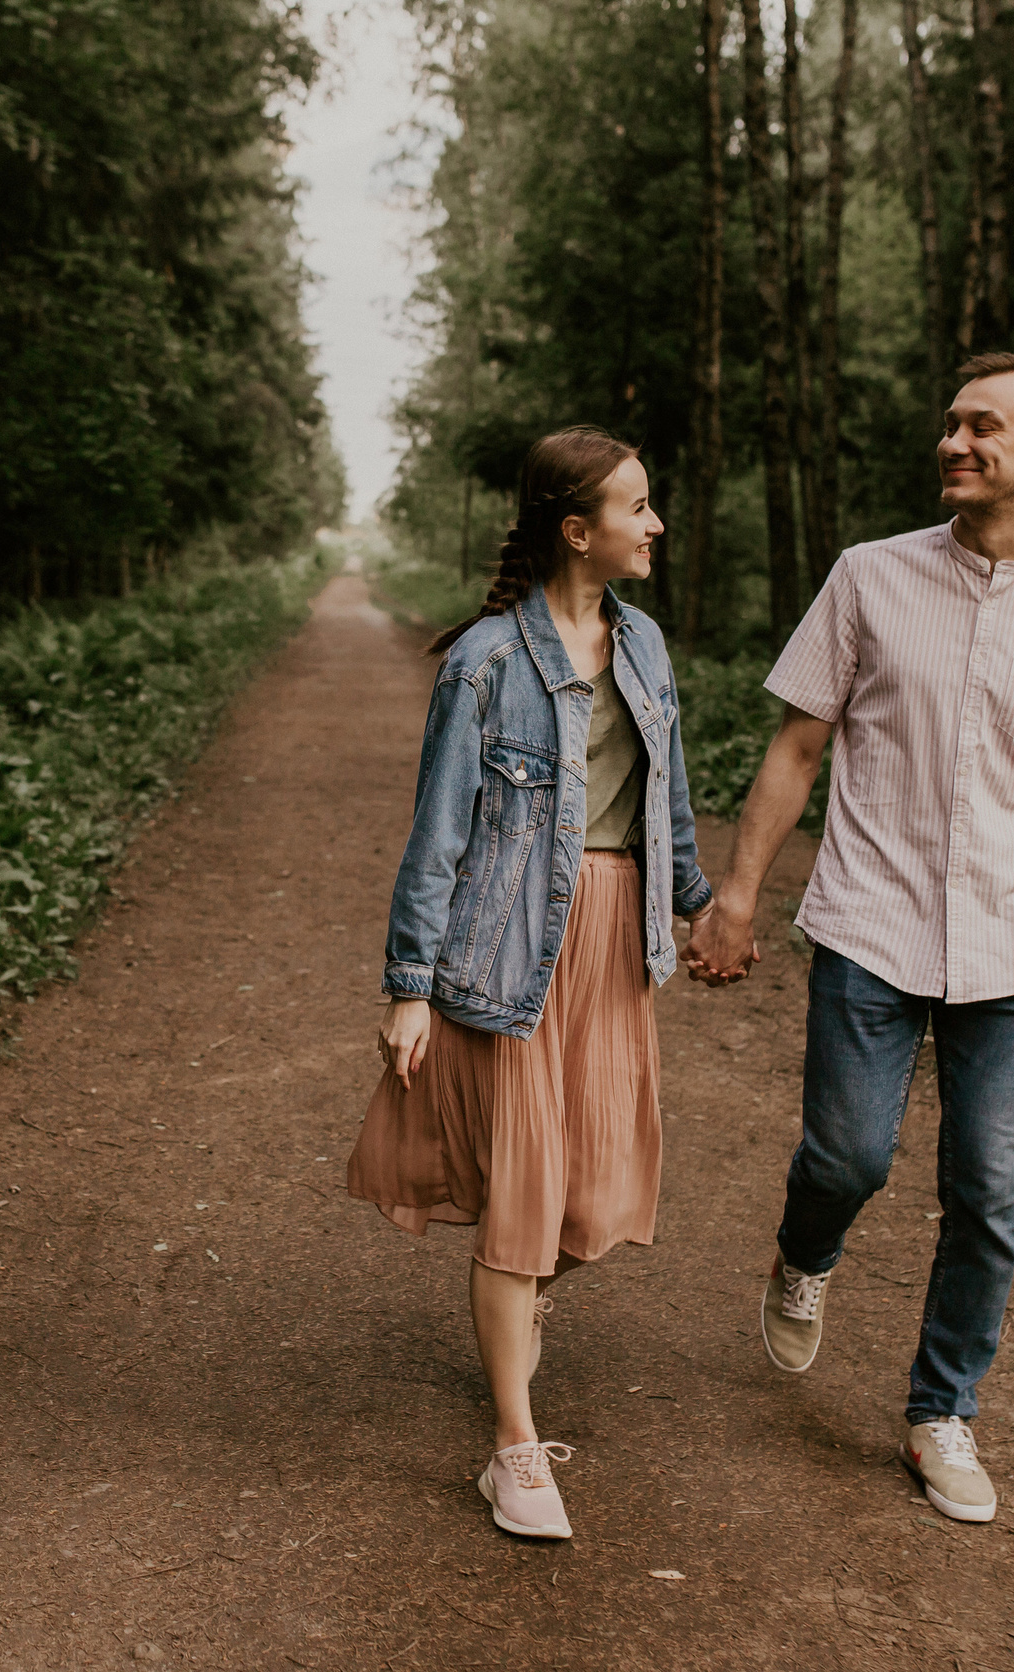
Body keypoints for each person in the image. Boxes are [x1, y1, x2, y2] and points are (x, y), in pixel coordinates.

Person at [686, 353, 1014, 1525]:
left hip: (1011, 942)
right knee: (848, 1158)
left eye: (981, 426)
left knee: (989, 1193)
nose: (953, 442)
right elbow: (798, 746)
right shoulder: (868, 576)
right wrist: (738, 895)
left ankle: (940, 1412)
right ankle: (805, 1255)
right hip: (870, 919)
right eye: (950, 423)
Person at [350, 426, 713, 1541]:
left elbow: (668, 795)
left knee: (588, 1201)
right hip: (512, 949)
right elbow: (438, 834)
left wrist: (699, 904)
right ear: (576, 531)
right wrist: (409, 985)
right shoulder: (486, 662)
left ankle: (519, 1311)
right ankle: (512, 1445)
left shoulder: (643, 644)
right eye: (636, 507)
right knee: (520, 1199)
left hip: (612, 948)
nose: (654, 524)